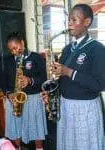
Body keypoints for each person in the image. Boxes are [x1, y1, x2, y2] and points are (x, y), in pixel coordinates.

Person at [41, 3, 105, 150]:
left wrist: (69, 72)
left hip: (85, 109)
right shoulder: (67, 49)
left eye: (74, 20)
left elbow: (100, 84)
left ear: (87, 22)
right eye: (68, 20)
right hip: (66, 106)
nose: (69, 23)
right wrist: (51, 92)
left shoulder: (98, 49)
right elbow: (61, 78)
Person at [4, 32, 47, 150]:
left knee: (37, 134)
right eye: (10, 49)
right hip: (14, 101)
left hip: (33, 99)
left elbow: (44, 78)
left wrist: (30, 80)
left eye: (15, 47)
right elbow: (3, 81)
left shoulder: (36, 57)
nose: (13, 52)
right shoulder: (8, 61)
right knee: (15, 132)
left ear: (22, 43)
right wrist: (8, 94)